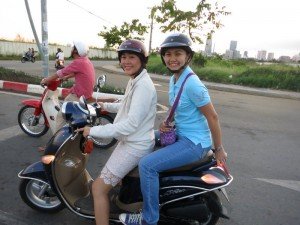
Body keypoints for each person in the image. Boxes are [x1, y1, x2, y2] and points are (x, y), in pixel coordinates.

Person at [119, 33, 228, 225]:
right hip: (180, 134)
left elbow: (213, 117)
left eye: (178, 53)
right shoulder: (175, 79)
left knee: (147, 165)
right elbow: (181, 108)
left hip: (195, 143)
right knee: (142, 136)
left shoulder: (193, 84)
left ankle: (148, 217)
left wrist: (218, 149)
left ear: (188, 56)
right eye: (168, 54)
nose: (172, 58)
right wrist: (168, 123)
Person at [77, 39, 157, 225]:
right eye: (123, 57)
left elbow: (130, 124)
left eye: (131, 57)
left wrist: (92, 130)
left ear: (142, 60)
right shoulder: (136, 80)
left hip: (135, 145)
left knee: (98, 189)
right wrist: (104, 106)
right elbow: (128, 106)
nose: (126, 61)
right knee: (108, 183)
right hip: (132, 141)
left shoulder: (143, 86)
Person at [40, 41, 95, 132]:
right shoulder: (85, 60)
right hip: (86, 93)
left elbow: (60, 73)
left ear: (76, 51)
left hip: (78, 95)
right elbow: (77, 72)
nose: (71, 49)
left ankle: (55, 144)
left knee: (60, 116)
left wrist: (47, 80)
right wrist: (66, 77)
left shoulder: (78, 62)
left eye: (73, 47)